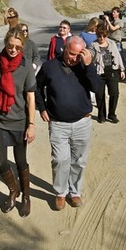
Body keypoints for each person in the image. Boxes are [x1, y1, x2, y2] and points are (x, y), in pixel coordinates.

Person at [35, 36, 102, 211]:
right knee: (60, 160)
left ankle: (75, 192)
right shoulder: (50, 66)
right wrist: (41, 107)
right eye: (71, 54)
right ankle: (60, 193)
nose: (74, 58)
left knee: (79, 161)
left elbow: (98, 88)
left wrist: (88, 66)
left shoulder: (84, 66)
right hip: (58, 124)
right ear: (64, 49)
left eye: (78, 54)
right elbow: (37, 87)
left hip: (82, 122)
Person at [0, 27, 37, 217]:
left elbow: (30, 98)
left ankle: (27, 197)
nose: (12, 50)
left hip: (19, 121)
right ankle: (13, 189)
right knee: (0, 162)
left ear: (22, 46)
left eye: (16, 47)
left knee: (21, 161)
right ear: (5, 43)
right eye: (9, 45)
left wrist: (31, 125)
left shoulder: (26, 66)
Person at [88, 25, 125, 123]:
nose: (102, 38)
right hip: (99, 72)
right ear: (97, 35)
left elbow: (117, 56)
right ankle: (101, 115)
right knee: (100, 95)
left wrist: (122, 69)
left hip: (112, 71)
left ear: (106, 35)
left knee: (114, 93)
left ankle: (112, 114)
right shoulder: (93, 45)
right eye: (100, 36)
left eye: (104, 36)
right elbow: (90, 56)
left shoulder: (112, 43)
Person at [103, 7, 126, 80]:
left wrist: (108, 21)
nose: (113, 14)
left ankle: (125, 75)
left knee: (120, 59)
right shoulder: (111, 22)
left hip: (117, 43)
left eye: (114, 12)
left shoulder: (120, 22)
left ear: (118, 13)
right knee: (109, 58)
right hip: (110, 42)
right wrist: (106, 21)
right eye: (112, 12)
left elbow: (113, 28)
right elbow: (107, 30)